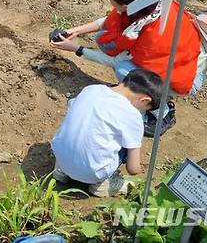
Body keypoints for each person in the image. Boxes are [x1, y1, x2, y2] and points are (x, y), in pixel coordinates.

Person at [51, 0, 206, 136]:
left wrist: (77, 49)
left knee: (124, 71)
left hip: (188, 78)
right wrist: (75, 31)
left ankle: (163, 111)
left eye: (111, 1)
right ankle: (148, 93)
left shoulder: (149, 38)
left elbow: (114, 61)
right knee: (104, 39)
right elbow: (110, 21)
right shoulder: (153, 2)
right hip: (184, 61)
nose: (110, 3)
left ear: (125, 5)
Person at [51, 69, 163, 197]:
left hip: (61, 157)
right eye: (145, 110)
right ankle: (102, 184)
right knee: (127, 142)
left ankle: (61, 171)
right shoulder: (132, 116)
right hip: (92, 173)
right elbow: (132, 169)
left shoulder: (91, 89)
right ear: (144, 101)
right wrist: (139, 169)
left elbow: (71, 106)